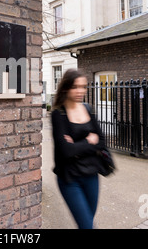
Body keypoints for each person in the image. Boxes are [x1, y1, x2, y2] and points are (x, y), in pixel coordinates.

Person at [51, 69, 107, 229]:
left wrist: (75, 145)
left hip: (91, 176)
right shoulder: (59, 114)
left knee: (88, 222)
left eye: (83, 87)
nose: (80, 91)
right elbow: (66, 151)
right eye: (75, 87)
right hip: (70, 179)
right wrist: (89, 141)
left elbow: (102, 141)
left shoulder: (87, 109)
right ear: (66, 88)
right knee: (87, 226)